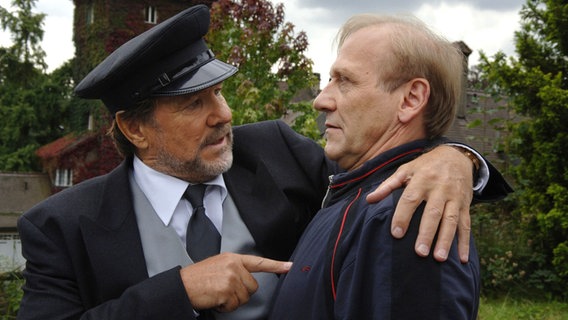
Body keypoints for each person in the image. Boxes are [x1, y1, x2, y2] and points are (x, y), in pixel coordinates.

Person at [16, 5, 511, 320]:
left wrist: (455, 156)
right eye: (194, 103)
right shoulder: (63, 225)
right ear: (135, 128)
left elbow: (378, 176)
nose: (224, 115)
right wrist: (178, 292)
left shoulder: (277, 155)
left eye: (220, 92)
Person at [269, 13, 499, 319]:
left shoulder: (409, 213)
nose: (321, 100)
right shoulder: (349, 191)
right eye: (329, 80)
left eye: (345, 81)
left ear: (410, 99)